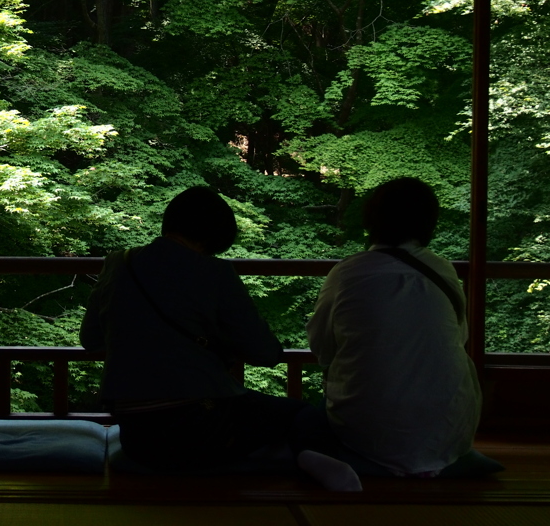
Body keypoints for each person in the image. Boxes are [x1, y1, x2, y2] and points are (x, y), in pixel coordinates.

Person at [81, 186, 360, 489]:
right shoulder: (214, 272)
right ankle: (311, 458)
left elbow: (90, 338)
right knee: (302, 413)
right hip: (201, 427)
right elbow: (266, 354)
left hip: (136, 435)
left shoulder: (117, 263)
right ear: (214, 236)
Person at [307, 177, 482, 477]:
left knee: (304, 420)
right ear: (428, 222)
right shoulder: (443, 269)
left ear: (371, 219)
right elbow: (459, 338)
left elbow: (321, 346)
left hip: (367, 435)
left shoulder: (348, 272)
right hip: (449, 435)